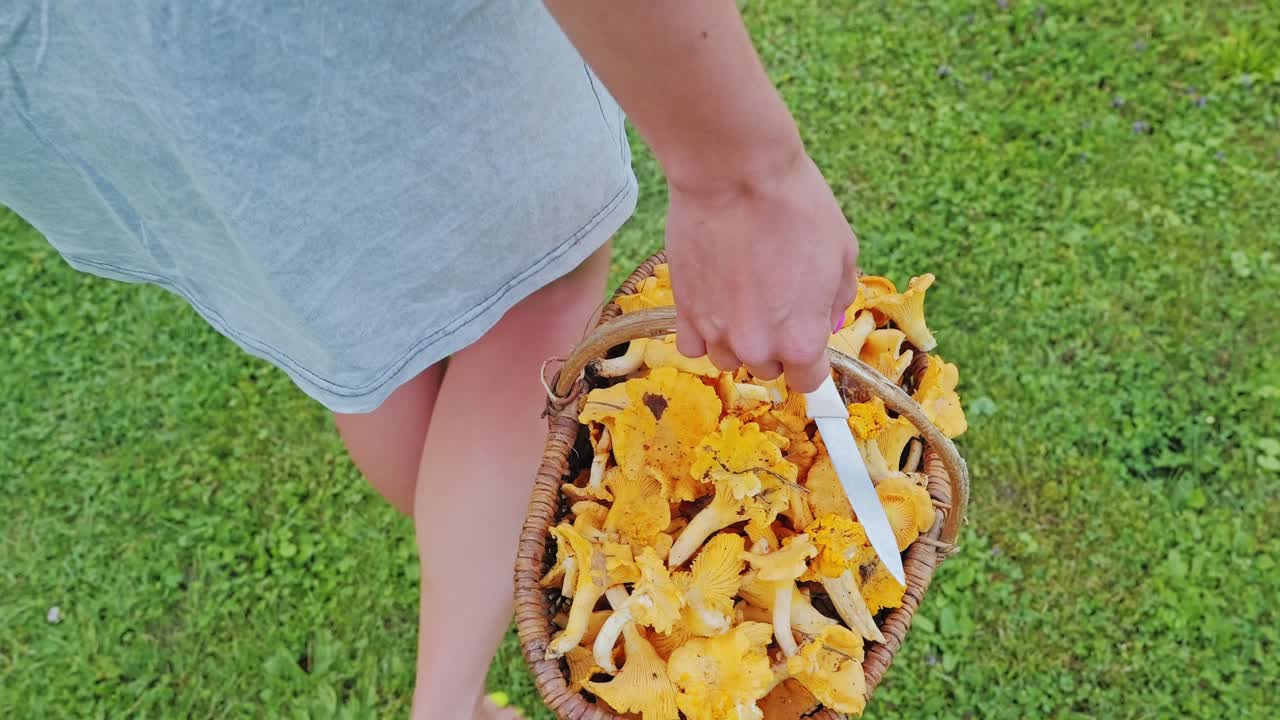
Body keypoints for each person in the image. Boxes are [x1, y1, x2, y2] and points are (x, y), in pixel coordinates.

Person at [1, 2, 859, 718]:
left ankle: (490, 614)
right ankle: (446, 700)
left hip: (86, 56)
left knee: (356, 315)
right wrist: (742, 177)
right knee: (539, 284)